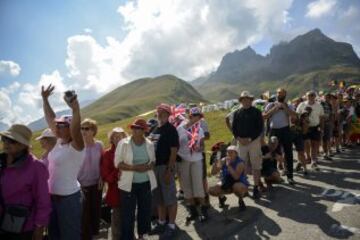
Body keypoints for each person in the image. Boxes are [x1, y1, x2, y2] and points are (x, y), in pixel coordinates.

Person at [41, 84, 85, 240]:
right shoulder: (59, 142)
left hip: (68, 200)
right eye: (57, 126)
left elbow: (75, 130)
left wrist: (75, 110)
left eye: (62, 126)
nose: (57, 128)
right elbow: (51, 118)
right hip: (52, 198)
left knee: (70, 236)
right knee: (54, 235)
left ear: (70, 128)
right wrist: (45, 99)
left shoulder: (77, 146)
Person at [0, 124, 51, 240]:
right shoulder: (1, 161)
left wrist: (39, 228)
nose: (6, 143)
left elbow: (43, 201)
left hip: (23, 228)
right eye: (4, 139)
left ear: (23, 145)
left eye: (12, 140)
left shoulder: (36, 167)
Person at [114, 119, 157, 240]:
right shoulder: (123, 143)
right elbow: (117, 163)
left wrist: (148, 166)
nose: (135, 130)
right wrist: (135, 168)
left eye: (138, 128)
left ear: (144, 130)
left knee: (144, 211)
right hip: (128, 184)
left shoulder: (149, 144)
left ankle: (142, 235)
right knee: (128, 214)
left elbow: (153, 161)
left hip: (146, 182)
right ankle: (127, 237)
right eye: (133, 127)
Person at [149, 104, 179, 239]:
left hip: (165, 167)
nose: (159, 114)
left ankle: (171, 226)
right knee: (159, 198)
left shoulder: (171, 130)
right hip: (154, 168)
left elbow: (174, 151)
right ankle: (161, 222)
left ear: (168, 114)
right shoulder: (155, 129)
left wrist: (169, 170)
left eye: (162, 112)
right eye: (158, 112)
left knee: (170, 198)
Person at [227, 91, 264, 199]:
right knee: (241, 165)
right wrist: (239, 138)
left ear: (251, 100)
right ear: (241, 101)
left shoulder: (257, 112)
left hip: (254, 141)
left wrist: (250, 139)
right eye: (243, 99)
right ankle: (244, 186)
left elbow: (260, 127)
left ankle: (256, 187)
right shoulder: (237, 113)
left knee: (256, 164)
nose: (246, 101)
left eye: (248, 99)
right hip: (241, 142)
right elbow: (234, 128)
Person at [177, 109, 207, 222]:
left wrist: (200, 148)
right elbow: (176, 144)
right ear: (190, 116)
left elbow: (203, 146)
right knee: (186, 186)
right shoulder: (179, 129)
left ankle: (204, 210)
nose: (198, 119)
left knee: (198, 185)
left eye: (199, 117)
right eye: (196, 116)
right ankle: (193, 211)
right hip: (183, 160)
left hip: (196, 159)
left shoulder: (199, 130)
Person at [263, 88, 297, 184]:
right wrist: (275, 109)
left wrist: (285, 108)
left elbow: (294, 116)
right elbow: (264, 116)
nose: (280, 95)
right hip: (273, 131)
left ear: (285, 95)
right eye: (278, 93)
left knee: (288, 153)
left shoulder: (288, 105)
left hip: (285, 130)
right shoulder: (270, 105)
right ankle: (274, 176)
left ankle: (290, 176)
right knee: (273, 154)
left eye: (282, 94)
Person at [78, 118, 103, 240]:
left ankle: (95, 235)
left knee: (96, 211)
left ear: (93, 130)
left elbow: (102, 164)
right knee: (84, 215)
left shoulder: (99, 145)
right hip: (82, 185)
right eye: (81, 128)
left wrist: (101, 178)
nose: (83, 131)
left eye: (86, 128)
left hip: (97, 184)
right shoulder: (77, 147)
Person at [101, 127, 127, 240]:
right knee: (116, 218)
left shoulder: (129, 150)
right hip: (115, 191)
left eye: (120, 136)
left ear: (124, 137)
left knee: (129, 216)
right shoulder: (107, 154)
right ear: (111, 139)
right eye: (115, 136)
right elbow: (106, 176)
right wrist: (118, 170)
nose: (117, 139)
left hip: (130, 189)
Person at [209, 145, 249, 211]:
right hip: (226, 181)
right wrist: (215, 163)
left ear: (236, 154)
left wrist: (228, 166)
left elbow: (236, 177)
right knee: (212, 190)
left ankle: (241, 200)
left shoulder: (240, 163)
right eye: (227, 152)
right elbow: (213, 173)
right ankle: (222, 198)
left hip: (238, 182)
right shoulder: (223, 160)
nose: (229, 154)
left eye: (231, 152)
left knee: (237, 187)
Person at [296, 91, 324, 171]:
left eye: (312, 95)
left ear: (315, 96)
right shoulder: (302, 104)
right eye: (309, 95)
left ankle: (313, 161)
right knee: (306, 144)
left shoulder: (319, 105)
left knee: (314, 145)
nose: (311, 97)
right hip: (305, 127)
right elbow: (297, 115)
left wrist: (322, 128)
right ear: (306, 96)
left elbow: (321, 117)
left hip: (315, 127)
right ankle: (307, 157)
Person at [321, 93, 335, 160]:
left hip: (328, 123)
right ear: (324, 97)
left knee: (327, 138)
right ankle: (324, 152)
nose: (328, 98)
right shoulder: (321, 104)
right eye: (327, 97)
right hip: (321, 123)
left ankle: (326, 153)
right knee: (323, 139)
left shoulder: (330, 105)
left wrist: (331, 122)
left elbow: (331, 114)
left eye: (329, 97)